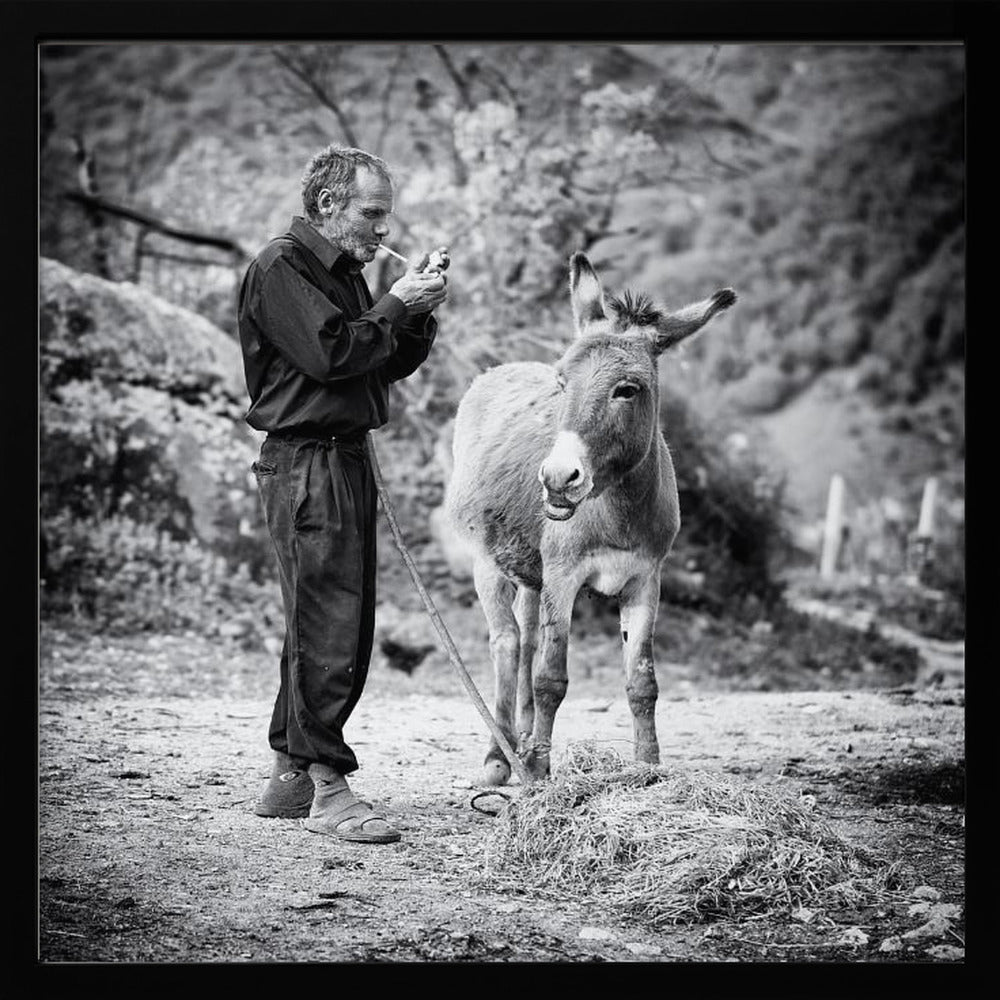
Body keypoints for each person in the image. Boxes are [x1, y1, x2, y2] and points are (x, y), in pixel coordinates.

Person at [237, 145, 448, 844]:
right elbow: (333, 354)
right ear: (329, 206)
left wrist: (415, 310)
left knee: (328, 623)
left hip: (341, 461)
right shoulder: (281, 269)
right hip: (305, 464)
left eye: (385, 214)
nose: (383, 230)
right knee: (329, 624)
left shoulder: (348, 275)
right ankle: (330, 791)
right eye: (372, 213)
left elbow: (381, 361)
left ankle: (290, 781)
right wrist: (394, 302)